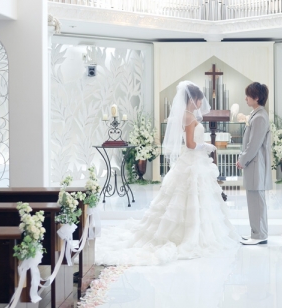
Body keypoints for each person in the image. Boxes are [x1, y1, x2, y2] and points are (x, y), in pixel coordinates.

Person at [95, 81, 240, 266]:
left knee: (194, 198)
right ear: (193, 99)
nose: (200, 105)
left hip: (194, 161)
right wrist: (206, 146)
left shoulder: (187, 115)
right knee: (191, 198)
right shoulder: (188, 117)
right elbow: (189, 144)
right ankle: (191, 236)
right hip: (193, 160)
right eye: (199, 101)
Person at [237, 82, 272, 245]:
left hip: (255, 163)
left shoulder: (259, 117)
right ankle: (256, 233)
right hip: (253, 163)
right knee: (254, 199)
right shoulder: (256, 115)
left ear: (256, 97)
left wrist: (242, 159)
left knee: (256, 200)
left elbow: (254, 144)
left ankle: (259, 235)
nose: (245, 98)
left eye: (248, 95)